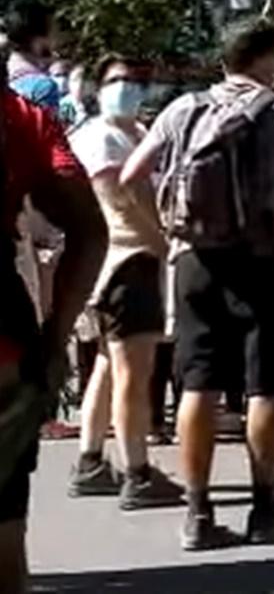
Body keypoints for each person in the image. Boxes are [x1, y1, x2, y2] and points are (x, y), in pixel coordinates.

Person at [121, 17, 274, 549]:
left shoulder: (183, 109)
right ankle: (265, 508)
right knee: (266, 383)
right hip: (265, 262)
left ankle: (198, 513)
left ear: (223, 60)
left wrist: (162, 236)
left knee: (198, 383)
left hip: (195, 261)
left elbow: (131, 177)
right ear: (273, 62)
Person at [0, 83, 107, 591]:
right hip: (6, 348)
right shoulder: (19, 117)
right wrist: (57, 333)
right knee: (3, 537)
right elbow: (89, 230)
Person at [66, 55, 182, 510]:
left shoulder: (134, 133)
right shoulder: (100, 137)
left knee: (108, 367)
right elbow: (119, 197)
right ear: (98, 87)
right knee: (134, 371)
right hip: (126, 261)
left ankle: (91, 460)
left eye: (137, 80)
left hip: (129, 263)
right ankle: (137, 471)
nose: (130, 88)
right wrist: (160, 241)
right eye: (118, 80)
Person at [5, 7, 60, 112]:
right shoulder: (44, 87)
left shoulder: (6, 79)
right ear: (38, 40)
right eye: (53, 30)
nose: (56, 37)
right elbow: (49, 128)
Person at [58, 64, 94, 130]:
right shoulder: (66, 105)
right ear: (69, 84)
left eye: (84, 80)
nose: (80, 84)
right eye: (75, 80)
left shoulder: (100, 103)